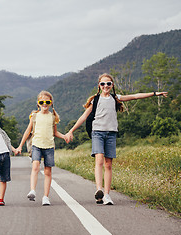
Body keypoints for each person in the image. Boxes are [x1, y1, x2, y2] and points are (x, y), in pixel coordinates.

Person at [65, 73, 168, 205]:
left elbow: (135, 96)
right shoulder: (95, 100)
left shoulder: (115, 98)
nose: (106, 86)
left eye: (108, 83)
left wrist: (155, 93)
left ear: (112, 85)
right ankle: (99, 190)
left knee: (108, 164)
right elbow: (83, 117)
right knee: (99, 160)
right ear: (99, 86)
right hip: (97, 133)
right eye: (103, 84)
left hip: (111, 134)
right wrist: (71, 131)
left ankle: (107, 195)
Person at [16, 91, 68, 206]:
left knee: (48, 172)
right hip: (36, 145)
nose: (44, 104)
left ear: (51, 103)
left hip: (49, 146)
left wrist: (64, 136)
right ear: (38, 103)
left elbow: (55, 132)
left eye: (47, 102)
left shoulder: (52, 117)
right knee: (35, 167)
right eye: (41, 102)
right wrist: (20, 145)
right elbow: (27, 131)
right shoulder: (34, 116)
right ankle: (33, 190)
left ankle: (46, 197)